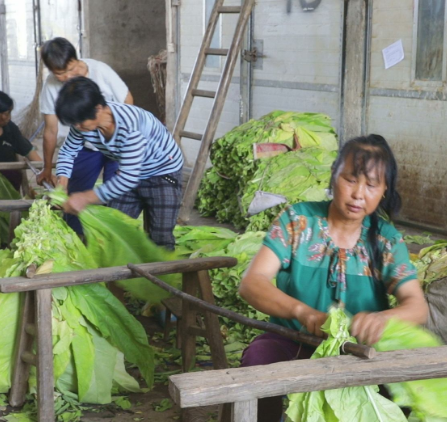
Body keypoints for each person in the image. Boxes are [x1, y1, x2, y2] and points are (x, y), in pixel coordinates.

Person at [238, 134, 429, 422]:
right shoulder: (298, 221)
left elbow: (417, 306)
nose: (358, 194)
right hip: (294, 340)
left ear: (384, 190)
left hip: (360, 351)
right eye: (350, 180)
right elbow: (252, 283)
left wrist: (382, 320)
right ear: (334, 176)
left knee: (402, 386)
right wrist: (302, 313)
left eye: (371, 185)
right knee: (258, 361)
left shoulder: (386, 240)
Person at [54, 76, 183, 250]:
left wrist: (84, 198)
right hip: (128, 171)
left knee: (160, 238)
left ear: (98, 108)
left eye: (79, 122)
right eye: (73, 123)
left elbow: (128, 179)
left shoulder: (131, 127)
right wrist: (62, 182)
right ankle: (118, 276)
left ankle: (162, 275)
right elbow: (68, 151)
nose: (76, 127)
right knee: (112, 231)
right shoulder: (82, 124)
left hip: (162, 173)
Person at [37, 37, 134, 234]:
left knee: (118, 195)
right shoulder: (51, 86)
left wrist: (121, 141)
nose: (67, 77)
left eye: (71, 70)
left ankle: (112, 241)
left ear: (75, 58)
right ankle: (76, 240)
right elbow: (50, 130)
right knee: (74, 196)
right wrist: (48, 168)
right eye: (60, 74)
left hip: (115, 142)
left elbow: (127, 101)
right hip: (85, 144)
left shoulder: (100, 70)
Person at [0, 91, 43, 192]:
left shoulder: (10, 129)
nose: (8, 117)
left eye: (9, 112)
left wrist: (45, 171)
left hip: (10, 186)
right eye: (6, 113)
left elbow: (28, 150)